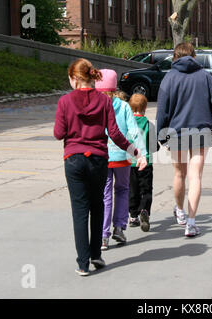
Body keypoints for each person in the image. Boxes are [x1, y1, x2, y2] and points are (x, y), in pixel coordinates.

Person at [54, 59, 146, 276]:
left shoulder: (65, 101)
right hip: (98, 160)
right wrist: (134, 151)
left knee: (80, 211)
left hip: (74, 159)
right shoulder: (104, 101)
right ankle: (96, 254)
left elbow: (59, 133)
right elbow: (114, 133)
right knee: (97, 207)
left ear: (74, 78)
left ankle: (83, 263)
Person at [156, 42, 212, 237]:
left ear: (174, 57)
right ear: (193, 56)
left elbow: (162, 110)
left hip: (176, 131)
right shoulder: (204, 76)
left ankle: (180, 211)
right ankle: (192, 222)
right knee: (196, 177)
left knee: (179, 174)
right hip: (200, 130)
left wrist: (161, 134)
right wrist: (211, 123)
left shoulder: (169, 77)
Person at [95, 69, 147, 250]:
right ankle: (119, 227)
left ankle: (103, 235)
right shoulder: (124, 106)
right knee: (123, 189)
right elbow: (134, 131)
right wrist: (141, 153)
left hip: (101, 155)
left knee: (105, 193)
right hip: (122, 155)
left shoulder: (94, 104)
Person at [128, 93, 159, 232]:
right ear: (145, 107)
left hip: (131, 163)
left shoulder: (128, 124)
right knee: (146, 190)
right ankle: (144, 209)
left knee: (132, 189)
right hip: (147, 163)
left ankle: (133, 215)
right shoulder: (149, 125)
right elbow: (154, 146)